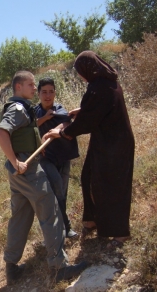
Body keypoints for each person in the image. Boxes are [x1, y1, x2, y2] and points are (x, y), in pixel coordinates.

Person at [0, 71, 87, 285]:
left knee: (20, 216)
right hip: (27, 169)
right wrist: (16, 161)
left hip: (19, 172)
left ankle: (11, 267)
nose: (34, 88)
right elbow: (1, 132)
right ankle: (59, 267)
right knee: (51, 210)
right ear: (19, 87)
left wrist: (36, 145)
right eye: (30, 85)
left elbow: (19, 135)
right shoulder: (18, 108)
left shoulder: (20, 108)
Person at [44, 51, 135, 246]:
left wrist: (62, 133)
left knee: (115, 186)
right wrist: (83, 111)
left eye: (80, 71)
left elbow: (88, 121)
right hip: (104, 142)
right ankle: (92, 220)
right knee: (89, 177)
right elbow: (98, 110)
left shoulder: (100, 87)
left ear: (88, 69)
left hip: (116, 145)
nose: (80, 75)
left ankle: (121, 233)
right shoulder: (104, 84)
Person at [35, 78, 80, 239]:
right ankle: (63, 228)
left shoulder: (59, 109)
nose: (48, 96)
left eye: (51, 92)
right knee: (56, 186)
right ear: (38, 94)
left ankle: (62, 228)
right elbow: (30, 127)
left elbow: (67, 122)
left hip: (63, 156)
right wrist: (45, 118)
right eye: (44, 92)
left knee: (62, 191)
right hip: (45, 158)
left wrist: (52, 131)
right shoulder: (34, 112)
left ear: (55, 93)